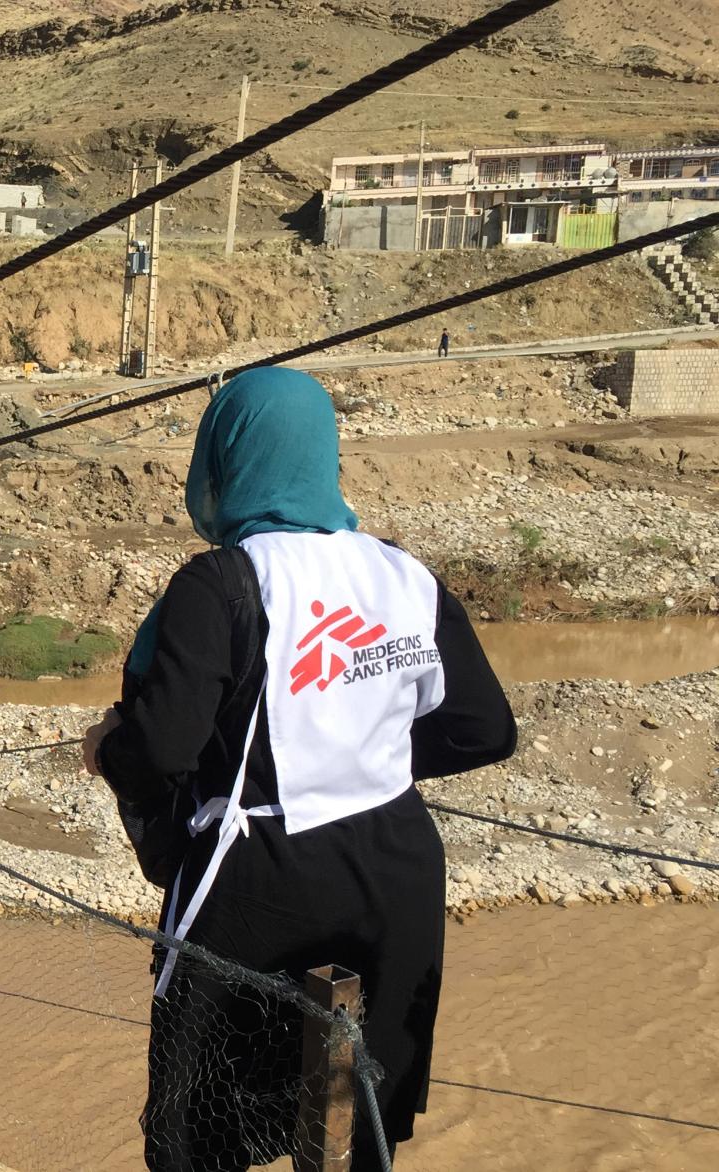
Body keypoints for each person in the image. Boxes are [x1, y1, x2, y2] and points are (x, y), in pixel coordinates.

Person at [82, 367, 514, 1172]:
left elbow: (163, 752)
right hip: (397, 871)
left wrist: (107, 748)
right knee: (361, 1115)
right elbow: (486, 731)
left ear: (225, 460)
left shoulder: (221, 583)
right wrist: (363, 748)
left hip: (261, 874)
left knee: (196, 1120)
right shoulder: (402, 576)